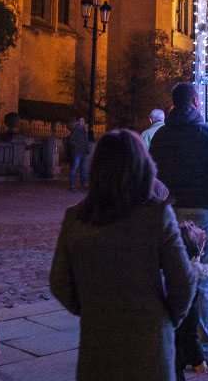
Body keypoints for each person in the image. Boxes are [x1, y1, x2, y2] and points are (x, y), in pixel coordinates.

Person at [50, 129, 196, 381]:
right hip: (150, 341)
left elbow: (59, 281)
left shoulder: (76, 218)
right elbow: (183, 281)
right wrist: (167, 318)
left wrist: (89, 308)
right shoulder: (157, 216)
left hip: (98, 342)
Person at [149, 82, 208, 370]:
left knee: (172, 278)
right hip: (204, 213)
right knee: (204, 284)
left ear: (173, 104)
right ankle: (203, 351)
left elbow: (153, 175)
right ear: (196, 101)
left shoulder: (160, 136)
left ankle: (172, 345)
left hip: (170, 211)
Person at [174, 220, 208, 380]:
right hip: (171, 351)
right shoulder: (188, 281)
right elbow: (189, 327)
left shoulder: (164, 274)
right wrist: (198, 360)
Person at [66, 118, 90, 191]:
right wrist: (78, 146)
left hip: (83, 153)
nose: (83, 122)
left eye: (83, 121)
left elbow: (86, 141)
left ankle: (83, 184)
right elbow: (71, 141)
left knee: (83, 169)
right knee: (74, 168)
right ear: (78, 122)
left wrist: (87, 149)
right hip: (77, 153)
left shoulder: (84, 131)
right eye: (81, 121)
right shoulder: (75, 130)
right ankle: (71, 184)